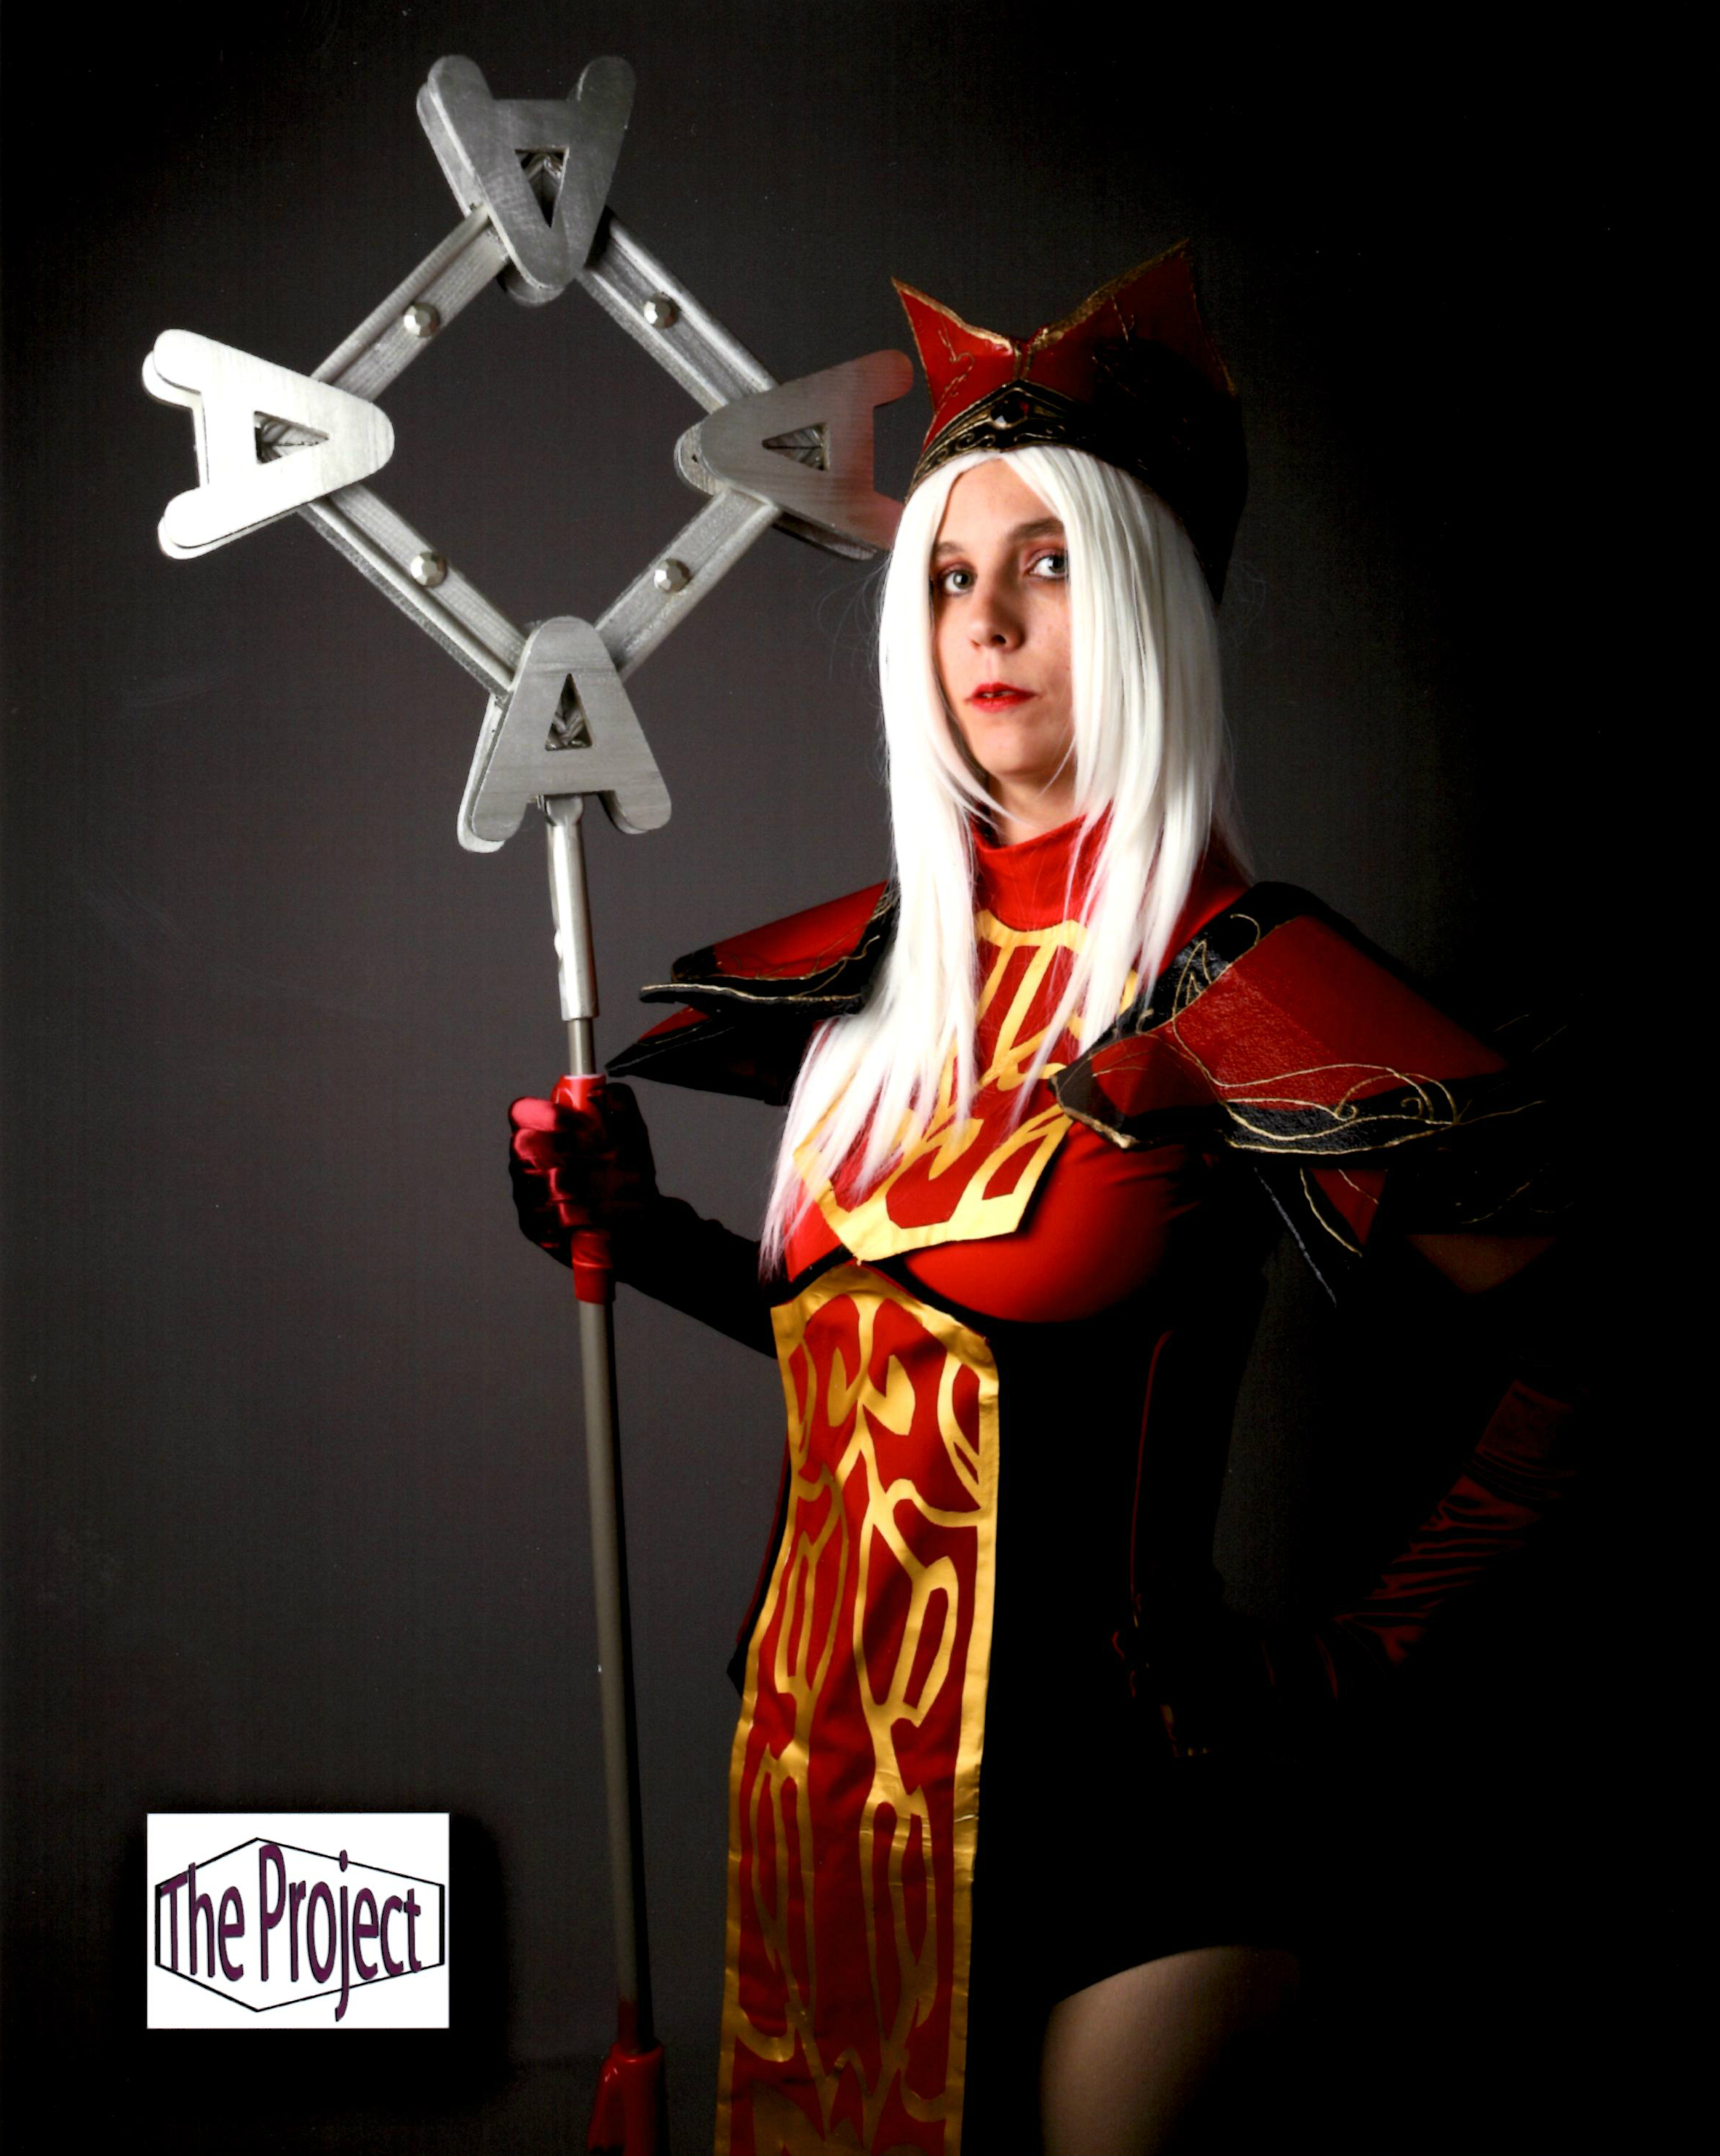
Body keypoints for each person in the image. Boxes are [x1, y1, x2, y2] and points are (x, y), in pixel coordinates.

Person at [509, 248, 1579, 2156]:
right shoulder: (877, 985)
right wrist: (641, 1230)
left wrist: (1354, 1659)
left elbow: (1586, 1334)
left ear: (1150, 600)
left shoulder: (1235, 986)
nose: (985, 620)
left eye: (1048, 564)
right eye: (946, 575)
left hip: (1136, 1843)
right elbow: (910, 1376)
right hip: (837, 1833)